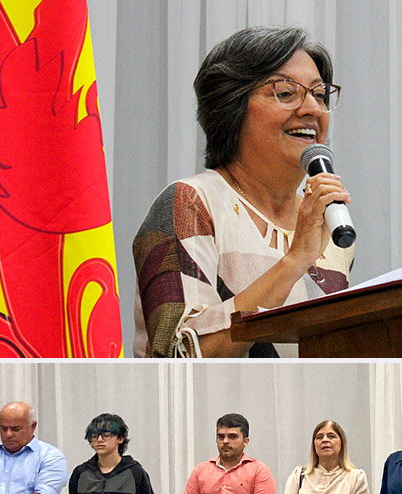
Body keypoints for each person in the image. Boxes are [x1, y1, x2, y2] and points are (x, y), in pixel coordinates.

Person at [133, 27, 352, 357]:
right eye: (286, 92)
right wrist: (295, 260)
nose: (313, 109)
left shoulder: (331, 221)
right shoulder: (190, 204)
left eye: (319, 94)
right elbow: (179, 356)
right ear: (231, 107)